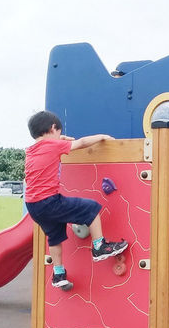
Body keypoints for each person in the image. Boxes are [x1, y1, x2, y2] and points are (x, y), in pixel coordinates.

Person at [24, 110, 127, 290]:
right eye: (58, 132)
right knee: (92, 209)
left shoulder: (31, 151)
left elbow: (50, 143)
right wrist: (102, 136)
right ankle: (99, 246)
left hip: (33, 205)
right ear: (53, 128)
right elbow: (81, 143)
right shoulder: (53, 146)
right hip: (49, 201)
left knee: (55, 236)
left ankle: (58, 273)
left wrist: (59, 138)